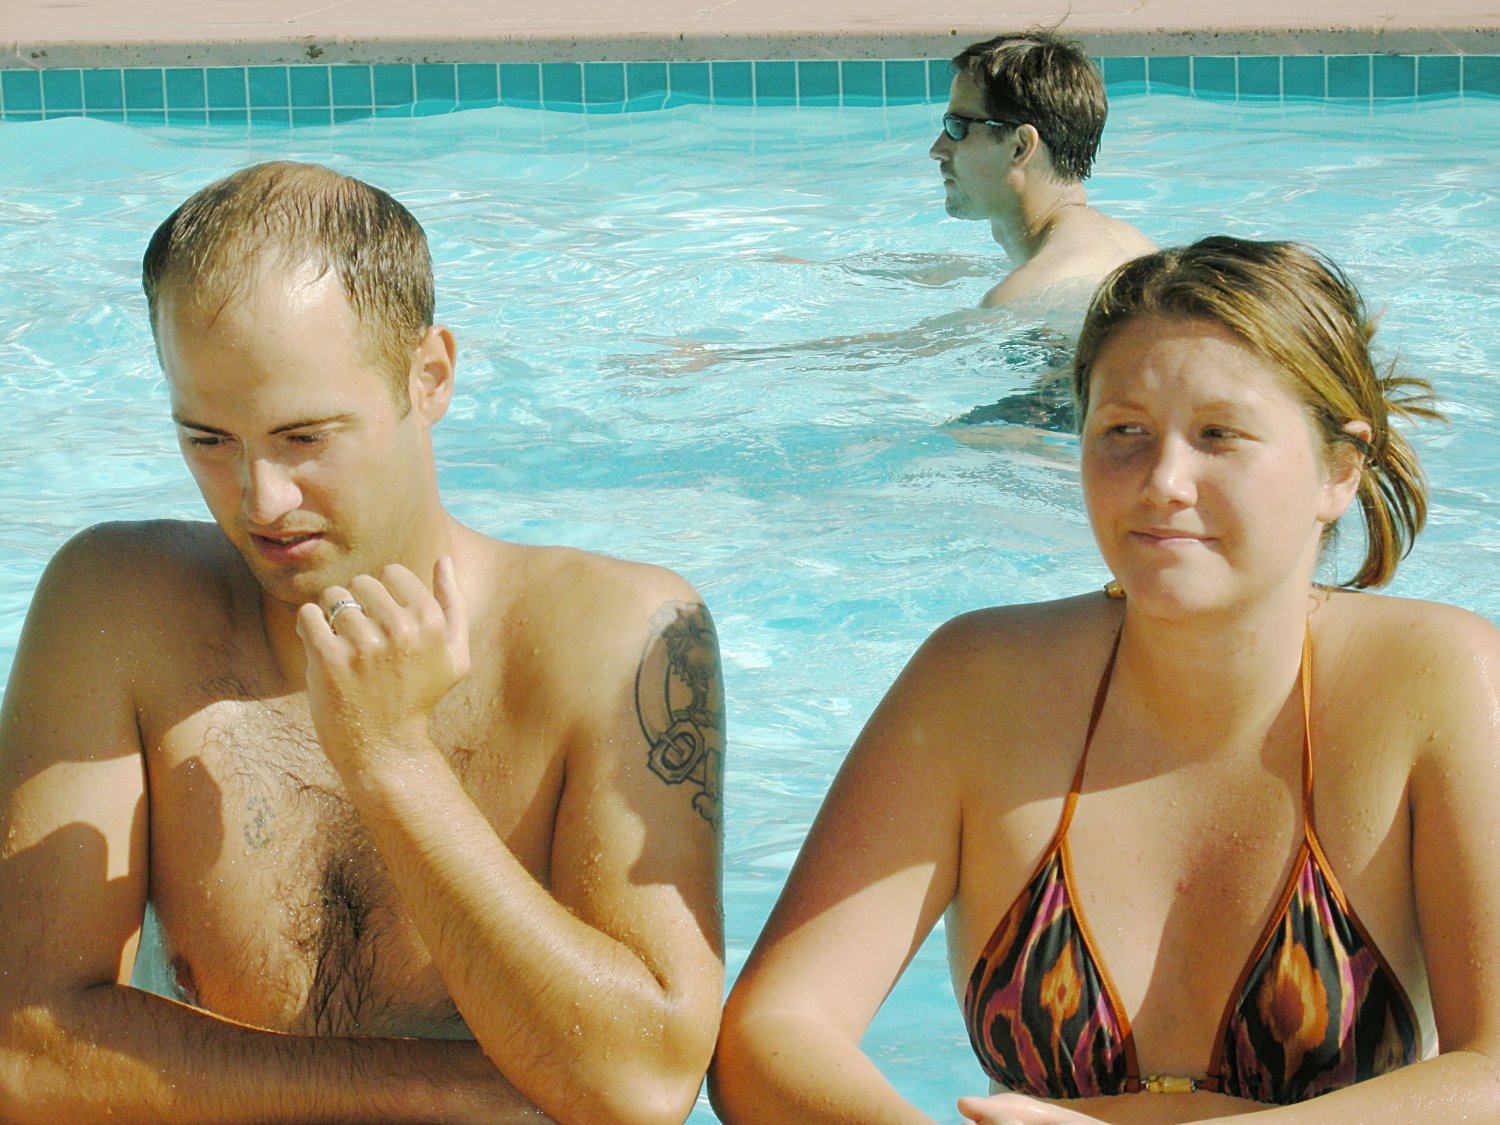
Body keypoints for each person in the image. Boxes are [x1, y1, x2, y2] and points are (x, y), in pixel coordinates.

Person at [711, 236, 1500, 1124]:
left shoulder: (1436, 683)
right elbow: (767, 1034)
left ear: (1340, 468)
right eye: (1124, 431)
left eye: (1218, 436)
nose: (1163, 481)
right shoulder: (979, 684)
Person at [0, 161, 725, 1125]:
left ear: (429, 378)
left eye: (304, 437)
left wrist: (396, 763)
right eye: (208, 440)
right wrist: (463, 1093)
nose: (260, 501)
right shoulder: (117, 608)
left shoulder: (615, 637)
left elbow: (644, 1084)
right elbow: (23, 1052)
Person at [931, 32, 1155, 311]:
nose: (937, 149)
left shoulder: (1022, 299)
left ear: (1020, 147)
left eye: (957, 127)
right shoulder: (1139, 250)